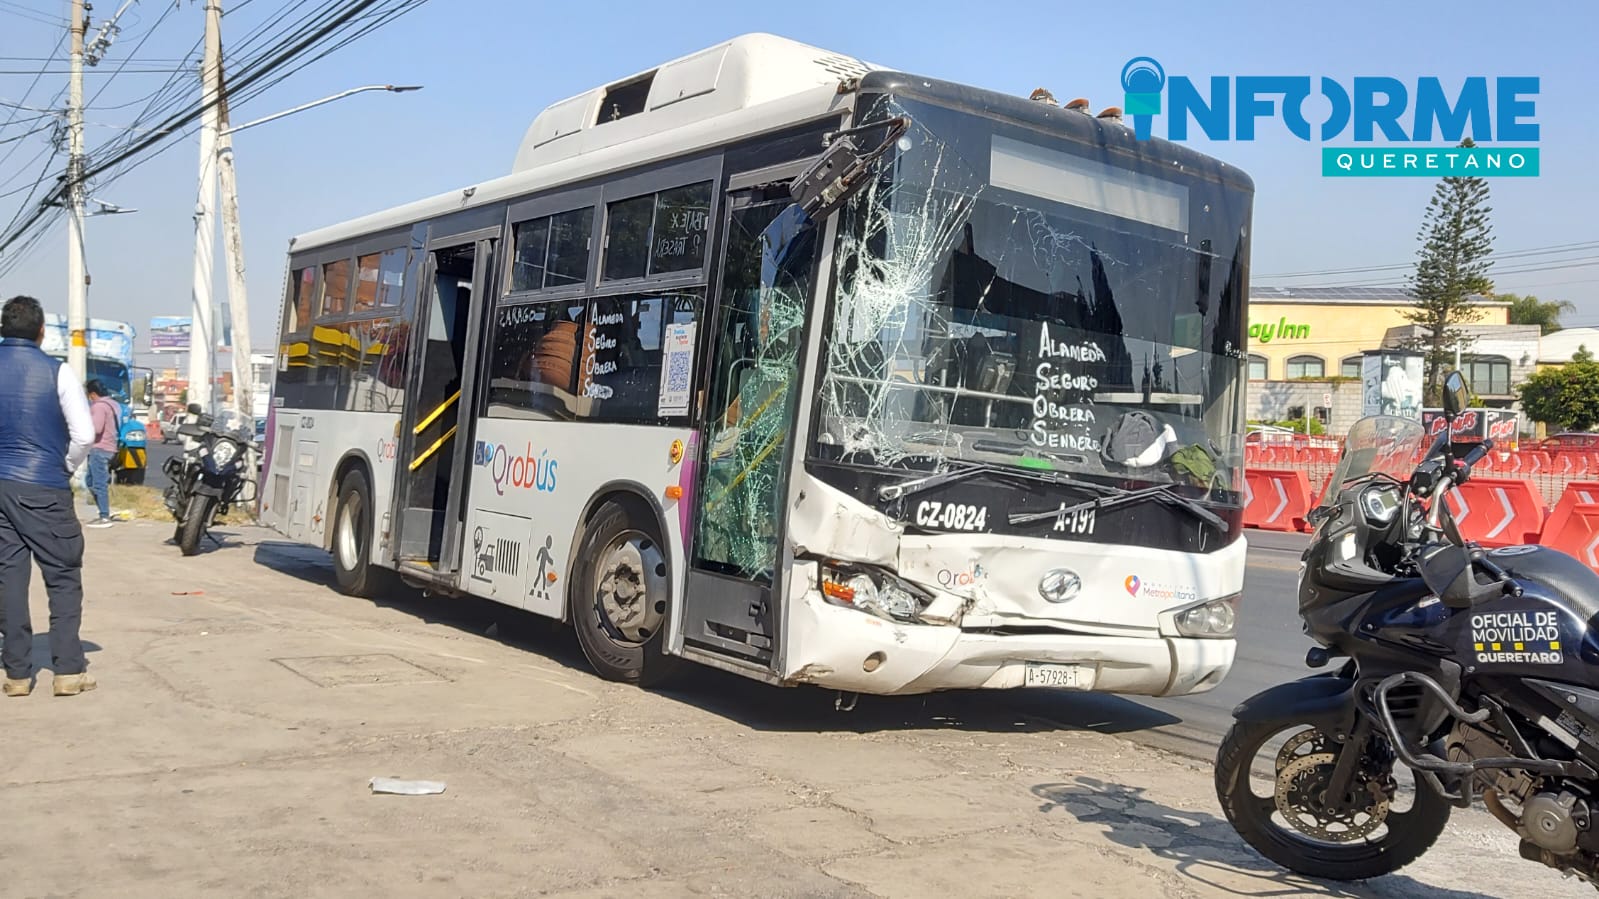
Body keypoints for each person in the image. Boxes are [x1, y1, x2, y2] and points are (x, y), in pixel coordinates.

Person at [0, 295, 97, 697]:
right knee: (62, 576)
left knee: (8, 577)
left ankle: (18, 675)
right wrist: (65, 466)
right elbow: (85, 436)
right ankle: (68, 671)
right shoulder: (57, 372)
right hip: (45, 488)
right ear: (41, 332)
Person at [84, 379, 118, 528]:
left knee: (98, 483)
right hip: (110, 447)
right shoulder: (113, 404)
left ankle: (104, 516)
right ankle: (102, 511)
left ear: (92, 394)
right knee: (90, 480)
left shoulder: (99, 407)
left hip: (100, 448)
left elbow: (96, 428)